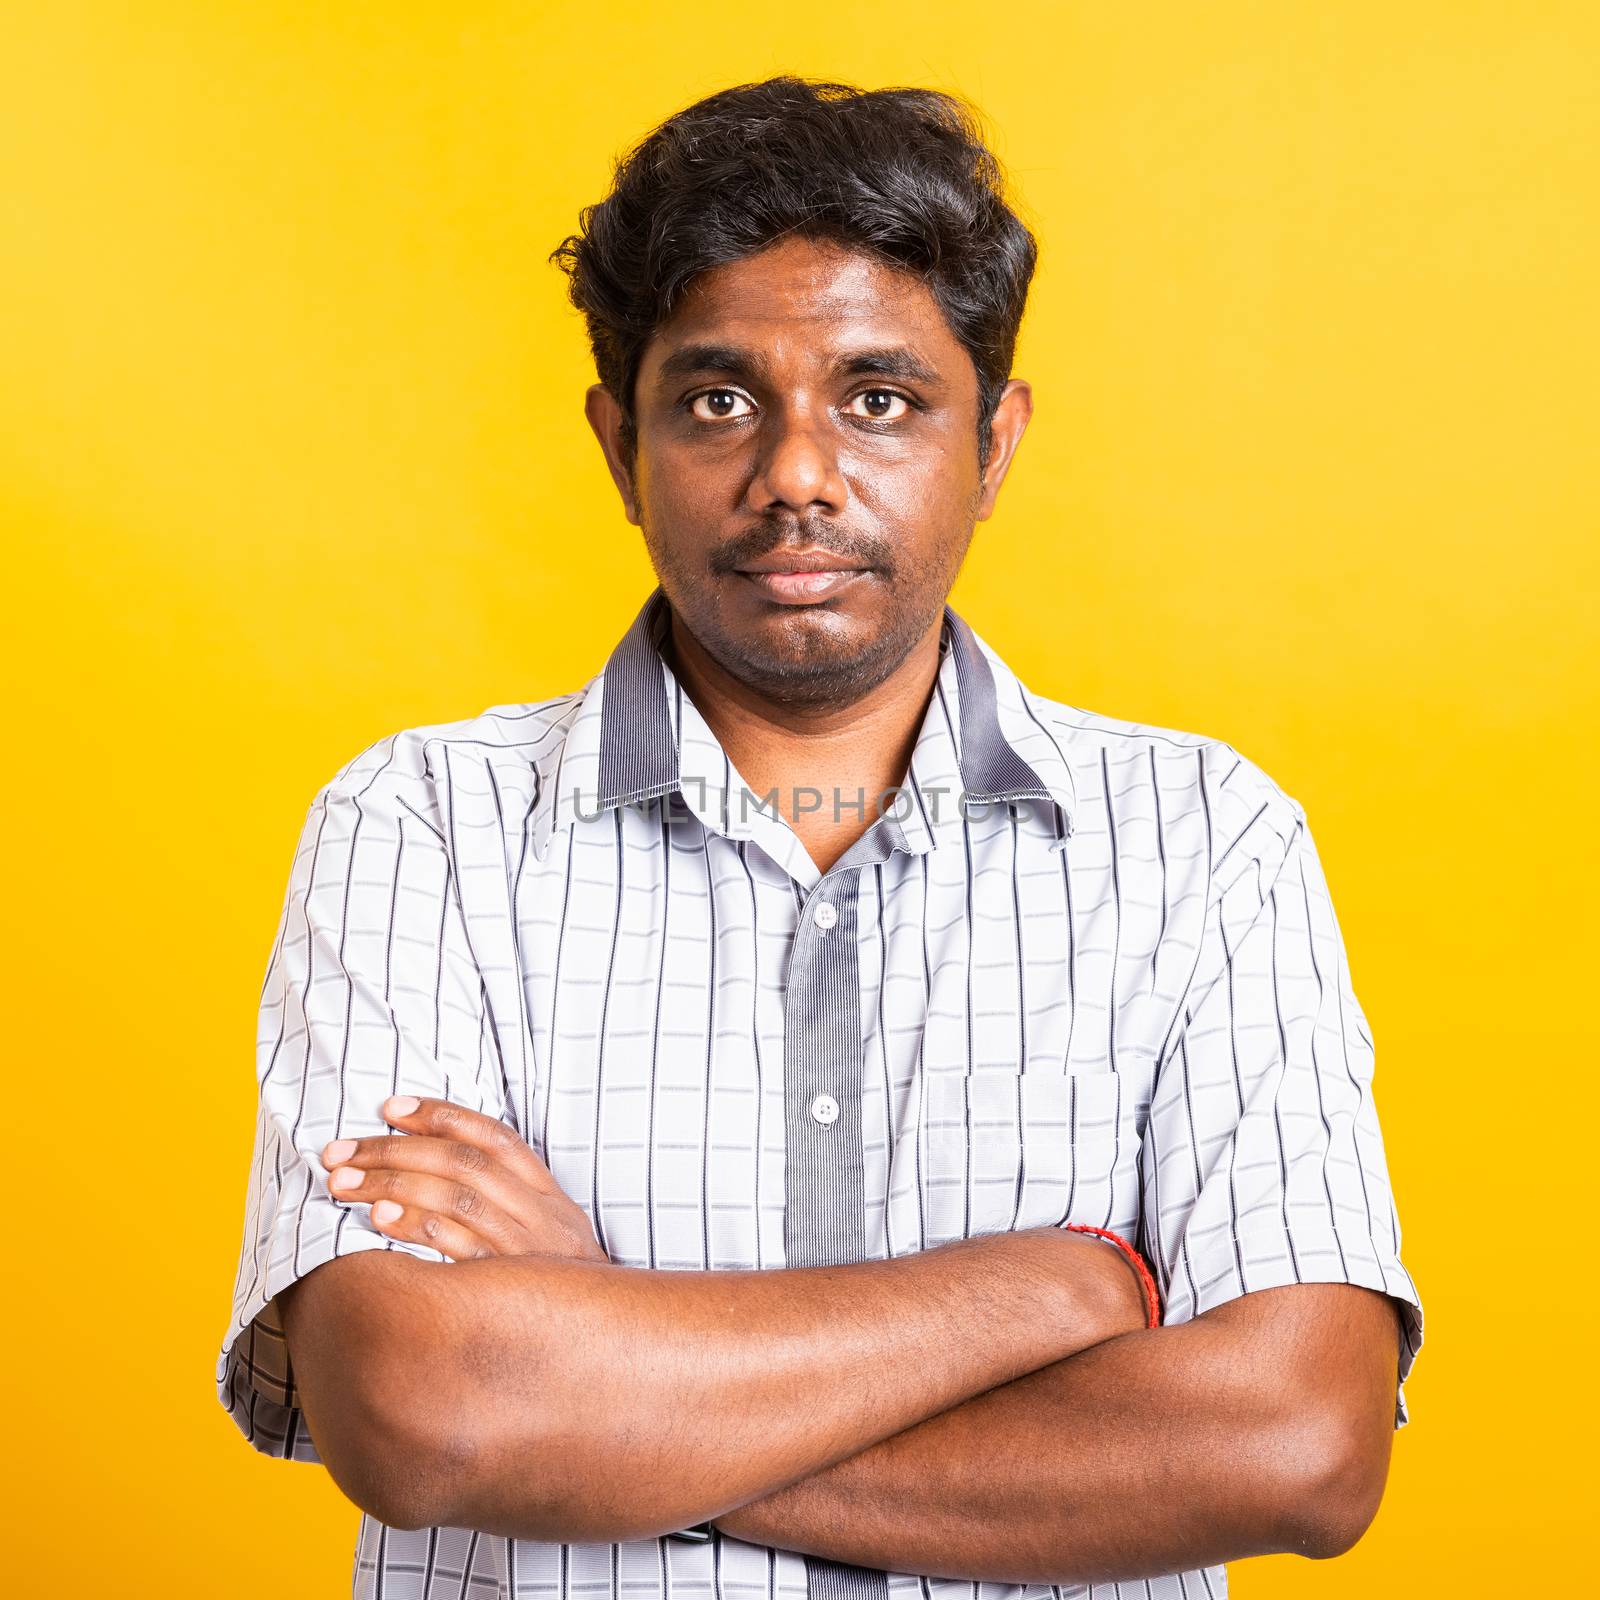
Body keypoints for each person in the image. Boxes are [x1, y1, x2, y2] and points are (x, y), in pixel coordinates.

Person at [218, 75, 1423, 1600]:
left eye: (878, 399)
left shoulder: (1207, 843)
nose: (796, 473)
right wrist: (1066, 1291)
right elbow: (428, 1413)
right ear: (618, 444)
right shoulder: (420, 830)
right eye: (719, 398)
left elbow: (1297, 1448)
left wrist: (606, 1370)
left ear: (992, 442)